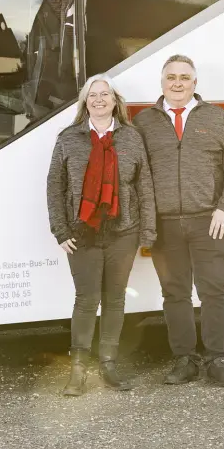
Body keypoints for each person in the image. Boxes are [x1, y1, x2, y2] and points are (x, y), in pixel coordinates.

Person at [133, 54, 224, 386]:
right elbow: (136, 174)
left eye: (184, 77)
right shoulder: (144, 123)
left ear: (195, 83)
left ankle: (217, 360)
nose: (177, 83)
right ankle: (184, 360)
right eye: (171, 77)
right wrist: (145, 221)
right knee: (175, 293)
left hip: (208, 221)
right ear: (162, 83)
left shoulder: (218, 118)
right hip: (165, 224)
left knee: (215, 292)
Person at [46, 74, 156, 395]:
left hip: (124, 232)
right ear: (85, 102)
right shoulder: (68, 139)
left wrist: (147, 231)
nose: (98, 99)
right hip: (82, 233)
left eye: (104, 94)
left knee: (114, 299)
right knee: (86, 299)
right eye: (92, 95)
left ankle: (108, 364)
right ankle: (78, 370)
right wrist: (60, 230)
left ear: (115, 101)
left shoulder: (132, 138)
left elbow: (144, 186)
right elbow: (55, 186)